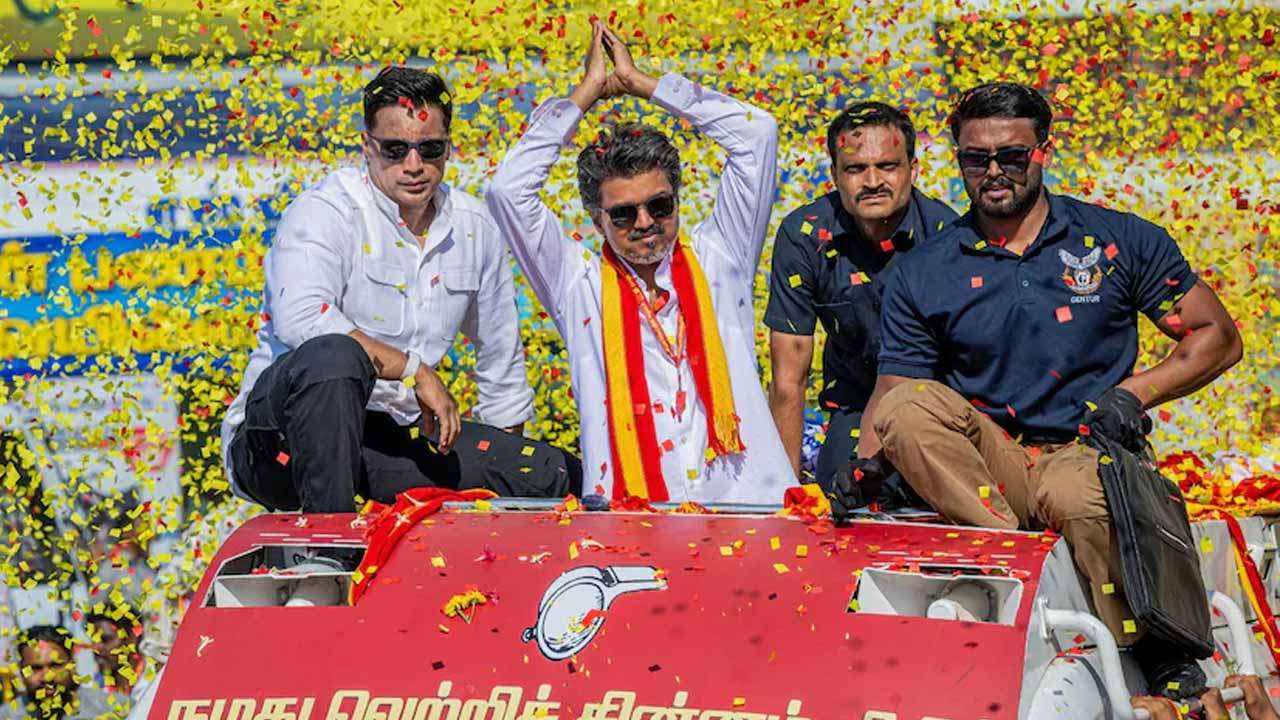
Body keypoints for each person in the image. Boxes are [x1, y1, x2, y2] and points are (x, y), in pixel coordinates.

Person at [848, 82, 1242, 698]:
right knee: (903, 409)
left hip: (1087, 447)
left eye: (1012, 154)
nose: (994, 171)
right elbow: (899, 382)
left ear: (1043, 153)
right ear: (957, 160)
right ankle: (1014, 567)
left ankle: (1152, 644)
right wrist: (864, 468)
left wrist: (1134, 394)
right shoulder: (925, 269)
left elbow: (1217, 334)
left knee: (1074, 494)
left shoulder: (1114, 241)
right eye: (976, 158)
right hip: (992, 463)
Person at [221, 66, 582, 513]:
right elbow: (302, 320)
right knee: (335, 356)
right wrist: (415, 371)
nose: (413, 166)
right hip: (280, 442)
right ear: (366, 146)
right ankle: (328, 543)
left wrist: (506, 468)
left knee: (549, 473)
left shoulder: (475, 227)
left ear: (448, 148)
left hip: (386, 437)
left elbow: (500, 363)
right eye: (395, 149)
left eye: (429, 149)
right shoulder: (324, 211)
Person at [486, 22, 794, 503]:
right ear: (597, 219)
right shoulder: (578, 285)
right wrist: (586, 93)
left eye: (660, 205)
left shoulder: (721, 257)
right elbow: (506, 191)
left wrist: (644, 85)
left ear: (677, 199)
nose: (646, 222)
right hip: (630, 514)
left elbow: (758, 134)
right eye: (624, 213)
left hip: (748, 506)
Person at [764, 101, 956, 494]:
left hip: (934, 404)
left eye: (887, 166)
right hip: (853, 405)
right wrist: (784, 494)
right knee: (839, 497)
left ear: (913, 169)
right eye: (855, 169)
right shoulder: (803, 236)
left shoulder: (945, 235)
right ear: (834, 175)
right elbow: (788, 377)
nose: (872, 181)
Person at [2, 626, 106, 720]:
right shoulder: (6, 716)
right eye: (36, 668)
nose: (47, 678)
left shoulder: (106, 710)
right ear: (21, 671)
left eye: (55, 666)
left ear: (72, 665)